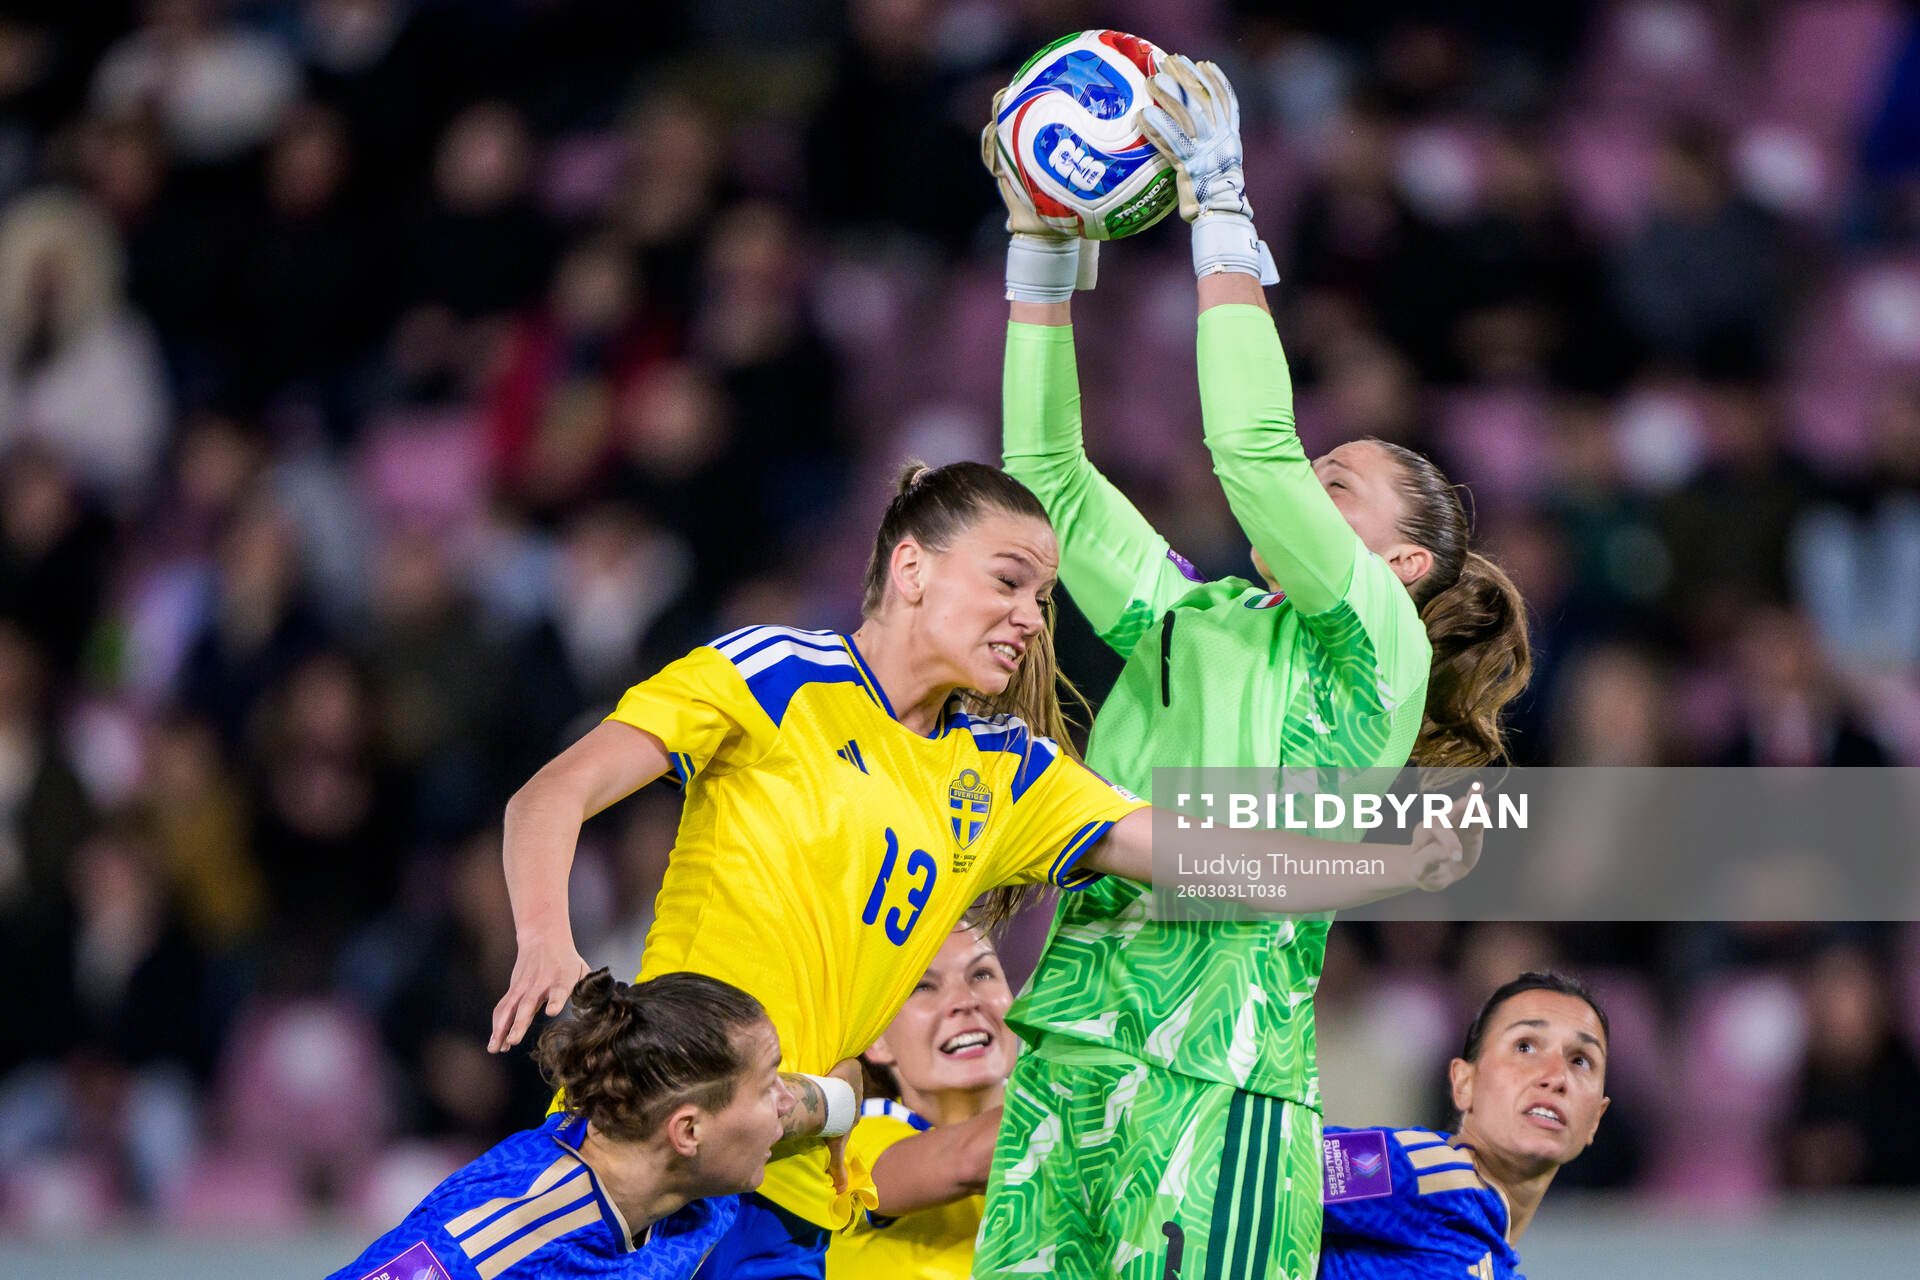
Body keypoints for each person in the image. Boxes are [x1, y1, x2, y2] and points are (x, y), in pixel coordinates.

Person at [487, 460, 1477, 1278]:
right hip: (634, 1139)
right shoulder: (773, 672)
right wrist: (547, 939)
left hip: (785, 1189)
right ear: (912, 567)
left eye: (1044, 596)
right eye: (1008, 582)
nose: (1032, 617)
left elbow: (1209, 858)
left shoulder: (1006, 774)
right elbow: (549, 795)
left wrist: (1378, 865)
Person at [976, 54, 1531, 1280]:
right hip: (1069, 1040)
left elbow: (1248, 441)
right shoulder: (1190, 614)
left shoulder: (1375, 648)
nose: (1304, 495)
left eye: (1337, 487)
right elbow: (1049, 479)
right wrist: (1044, 252)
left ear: (1400, 561)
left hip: (1220, 1079)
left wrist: (1219, 205)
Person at [330, 968, 820, 1280]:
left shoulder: (673, 1161)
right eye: (768, 1085)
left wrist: (843, 1103)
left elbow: (826, 1102)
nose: (785, 1100)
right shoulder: (509, 1234)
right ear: (688, 1132)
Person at [1320, 971, 1611, 1279]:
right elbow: (1280, 1162)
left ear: (1595, 1119)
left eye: (1580, 1060)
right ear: (1464, 1084)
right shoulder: (1426, 1170)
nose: (1555, 1077)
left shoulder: (1494, 1260)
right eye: (1524, 1046)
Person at [827, 922, 1012, 1280]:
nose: (965, 1002)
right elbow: (966, 1162)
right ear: (876, 1040)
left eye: (982, 973)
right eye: (922, 985)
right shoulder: (848, 1139)